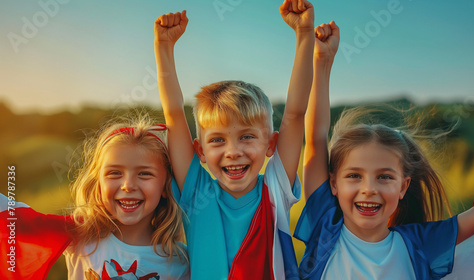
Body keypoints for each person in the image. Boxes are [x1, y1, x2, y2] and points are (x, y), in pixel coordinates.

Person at [293, 19, 474, 279]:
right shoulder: (323, 228)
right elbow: (315, 139)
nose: (369, 188)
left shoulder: (419, 244)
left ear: (403, 186)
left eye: (385, 177)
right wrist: (321, 62)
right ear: (333, 183)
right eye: (354, 175)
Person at [153, 0, 315, 278]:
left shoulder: (275, 190)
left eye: (247, 137)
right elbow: (174, 115)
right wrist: (164, 47)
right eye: (217, 140)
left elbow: (296, 113)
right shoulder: (196, 192)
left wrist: (304, 35)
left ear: (271, 145)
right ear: (199, 151)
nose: (233, 151)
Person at [0, 115, 190, 280]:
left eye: (144, 174)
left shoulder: (181, 262)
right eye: (115, 173)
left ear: (166, 186)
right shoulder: (80, 236)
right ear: (98, 184)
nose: (128, 185)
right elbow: (16, 219)